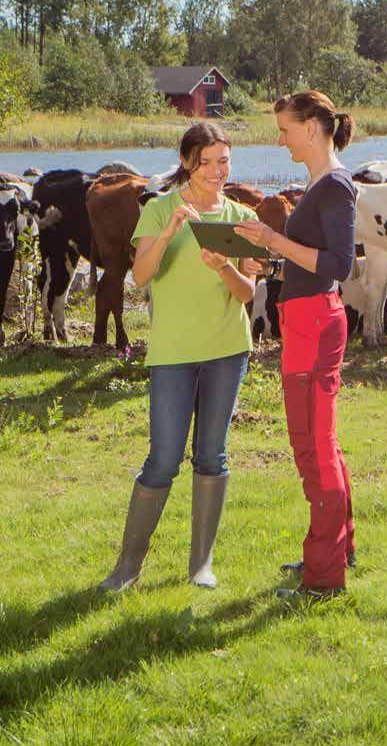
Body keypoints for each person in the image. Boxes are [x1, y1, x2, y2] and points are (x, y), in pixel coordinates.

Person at [98, 122, 259, 593]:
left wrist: (225, 266)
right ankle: (127, 567)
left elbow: (246, 292)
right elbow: (141, 277)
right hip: (172, 354)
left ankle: (201, 565)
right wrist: (168, 232)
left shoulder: (239, 216)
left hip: (228, 351)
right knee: (163, 459)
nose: (216, 171)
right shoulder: (159, 210)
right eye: (206, 161)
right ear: (187, 162)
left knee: (212, 456)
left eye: (223, 160)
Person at [235, 91, 357, 600]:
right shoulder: (321, 184)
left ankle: (324, 575)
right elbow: (315, 261)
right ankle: (338, 547)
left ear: (312, 127)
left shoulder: (334, 186)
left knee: (313, 446)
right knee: (320, 442)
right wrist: (276, 265)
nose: (279, 138)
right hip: (307, 318)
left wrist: (272, 240)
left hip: (314, 324)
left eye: (285, 128)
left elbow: (339, 266)